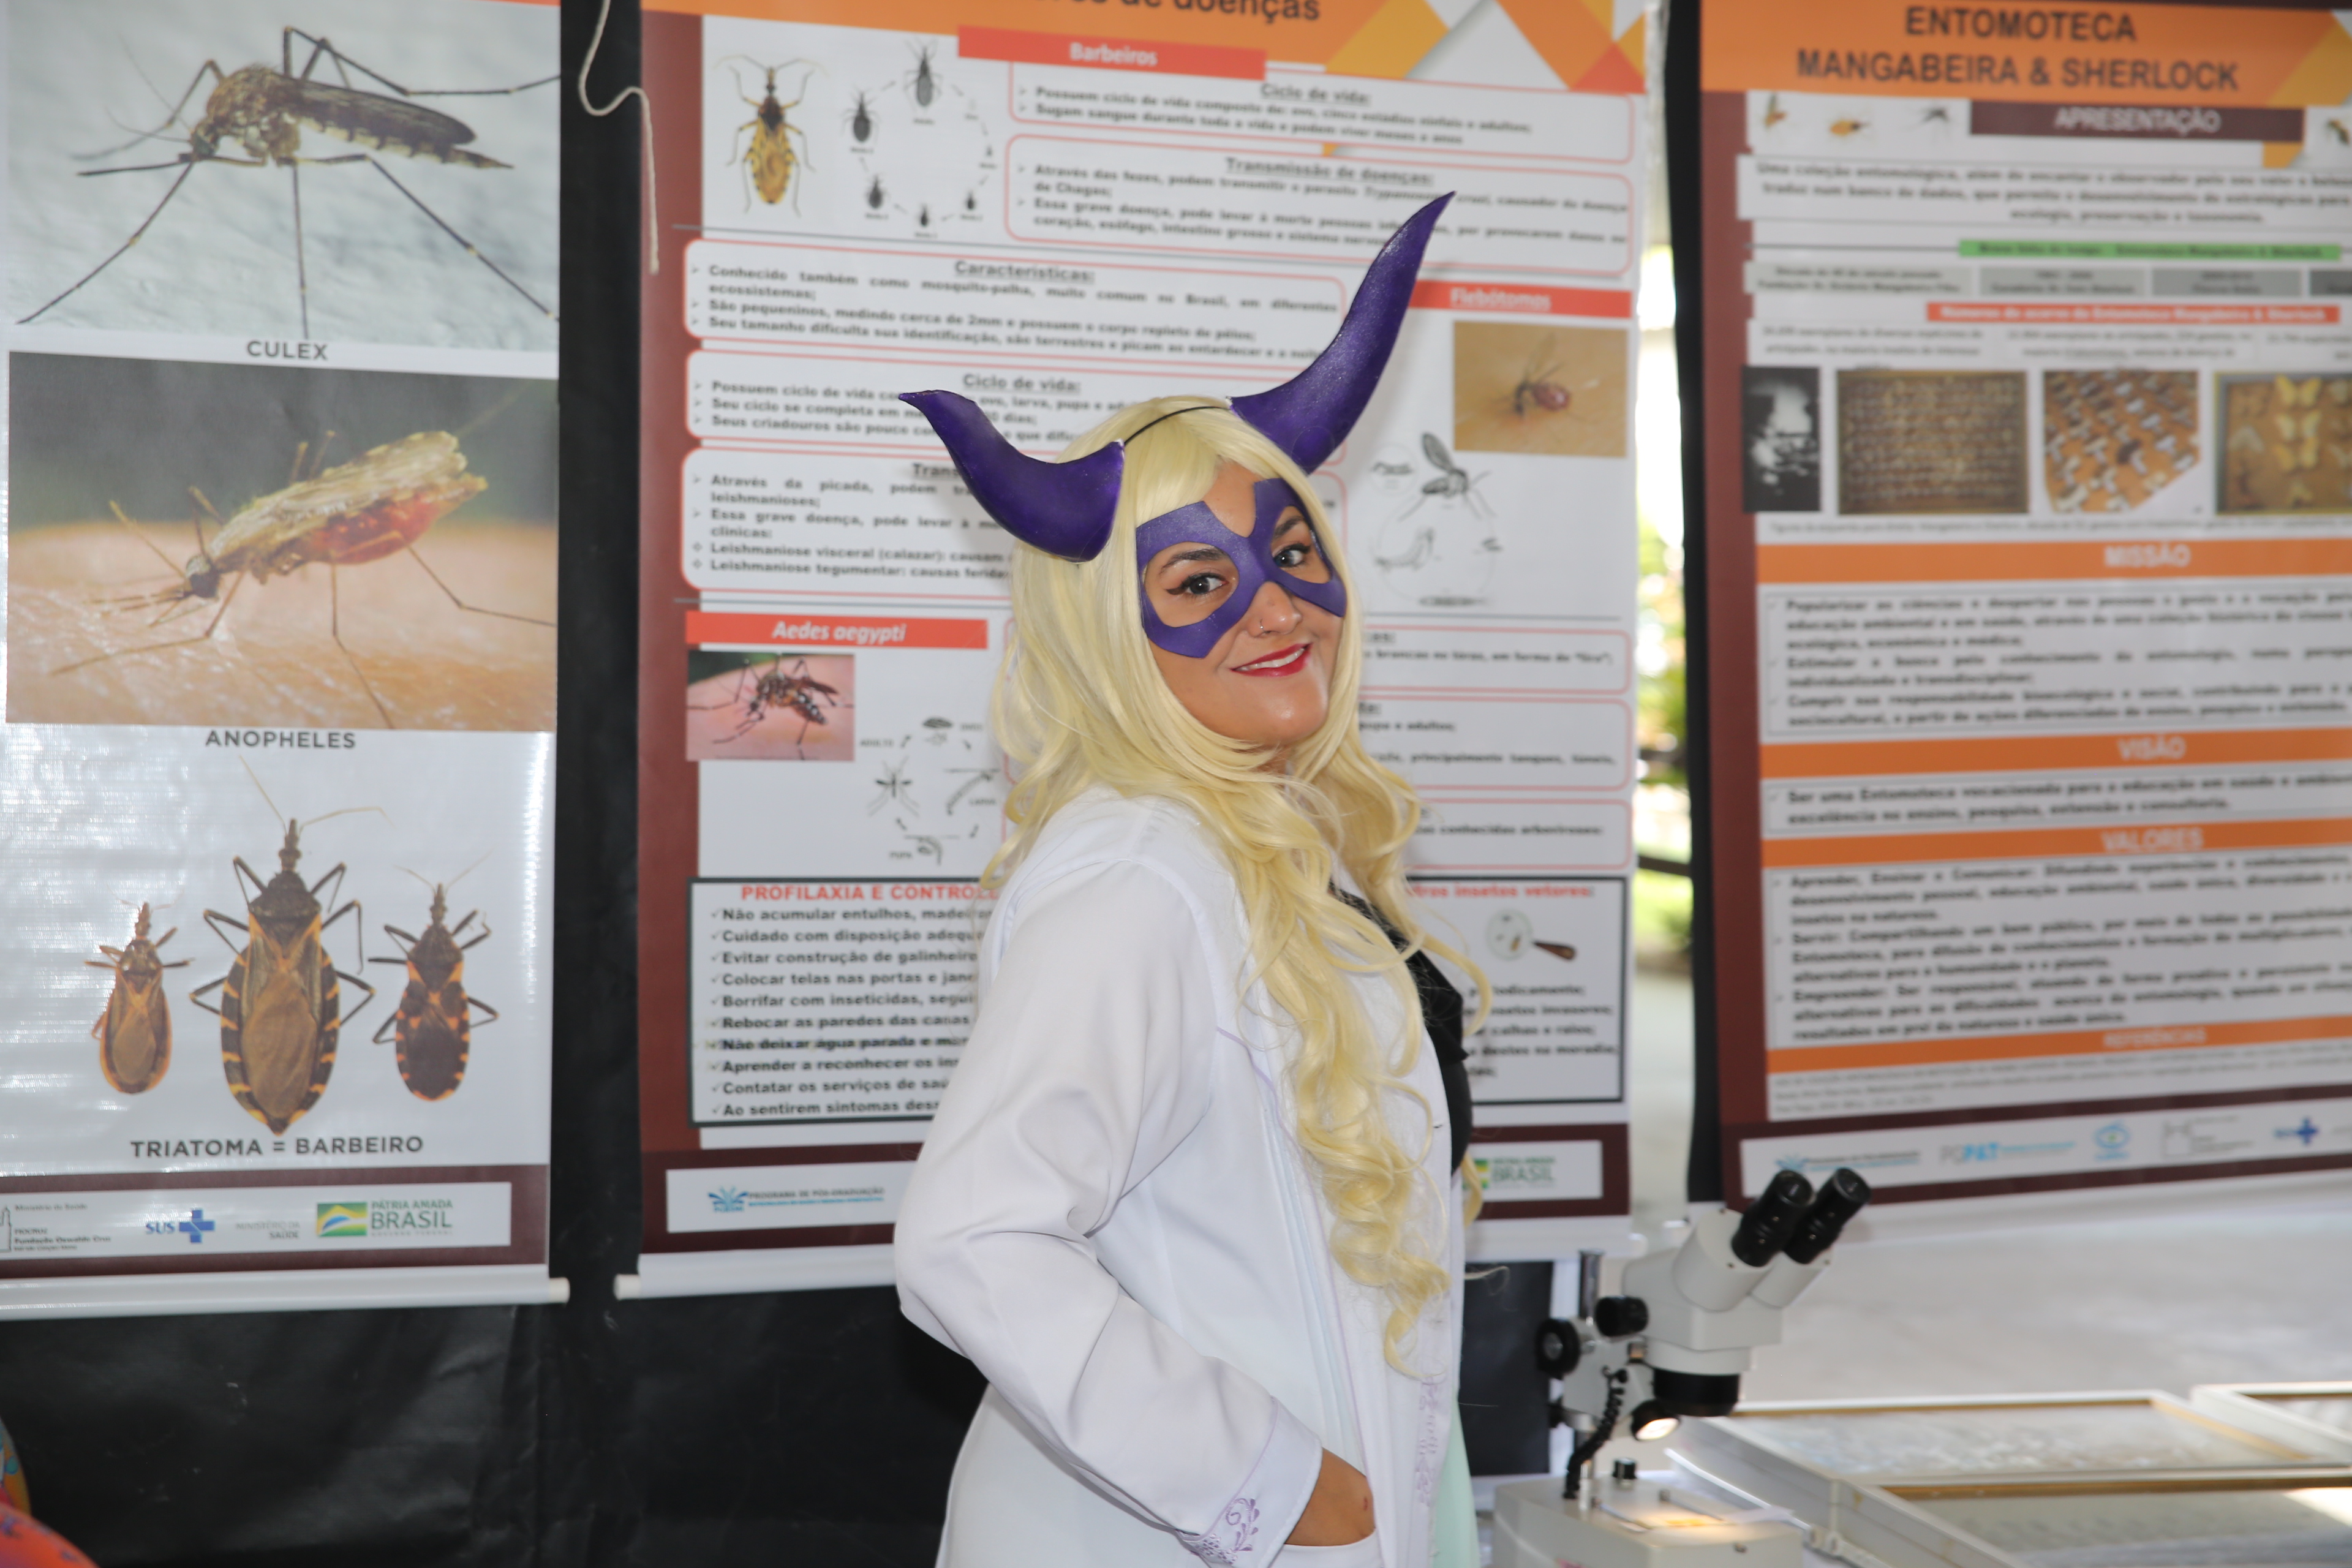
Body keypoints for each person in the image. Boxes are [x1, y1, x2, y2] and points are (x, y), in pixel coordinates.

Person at [894, 196, 1485, 1568]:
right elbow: (972, 1237)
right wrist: (1267, 1478)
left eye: (1293, 555)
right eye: (1200, 581)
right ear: (1112, 629)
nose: (1276, 608)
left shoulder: (1259, 837)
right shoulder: (1141, 873)